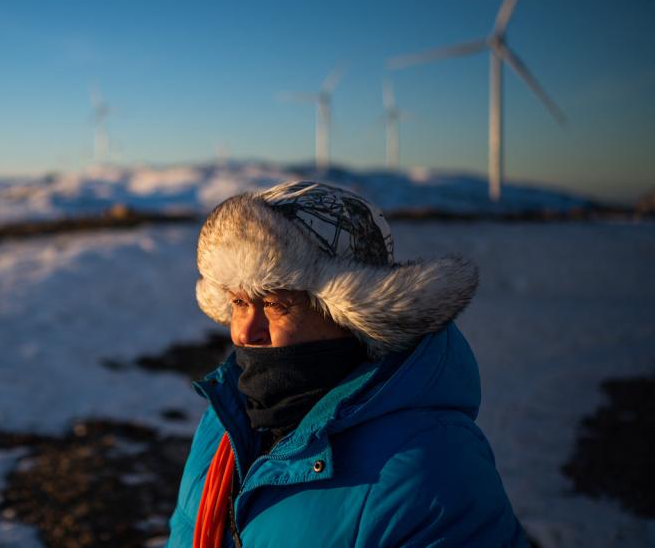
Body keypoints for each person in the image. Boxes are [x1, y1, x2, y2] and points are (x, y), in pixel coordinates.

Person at [166, 181, 527, 548]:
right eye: (239, 303)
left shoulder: (434, 470)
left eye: (276, 304)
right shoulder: (226, 420)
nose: (245, 333)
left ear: (352, 313)